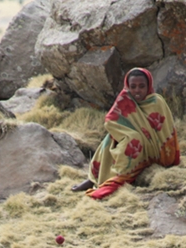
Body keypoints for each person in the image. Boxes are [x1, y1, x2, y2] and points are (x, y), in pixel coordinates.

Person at [71, 67, 180, 199]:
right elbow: (111, 122)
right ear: (128, 87)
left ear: (149, 86)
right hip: (134, 142)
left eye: (141, 86)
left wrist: (136, 136)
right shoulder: (125, 99)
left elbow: (166, 131)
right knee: (111, 138)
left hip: (155, 149)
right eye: (133, 86)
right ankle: (94, 178)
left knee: (133, 140)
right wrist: (130, 134)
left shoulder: (157, 102)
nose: (137, 91)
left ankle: (118, 176)